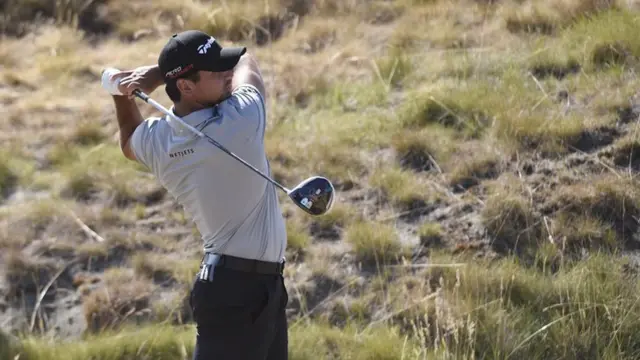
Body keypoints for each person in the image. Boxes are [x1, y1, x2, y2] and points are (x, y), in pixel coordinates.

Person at [103, 30, 289, 360]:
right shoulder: (239, 121)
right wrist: (157, 73)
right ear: (186, 87)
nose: (226, 73)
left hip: (249, 288)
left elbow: (129, 138)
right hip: (236, 293)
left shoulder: (162, 141)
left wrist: (123, 93)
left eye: (223, 66)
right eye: (216, 71)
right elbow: (248, 62)